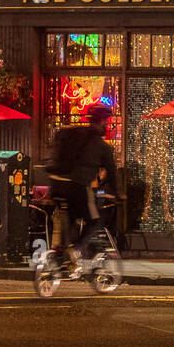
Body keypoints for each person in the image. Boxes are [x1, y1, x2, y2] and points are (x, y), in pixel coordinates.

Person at [45, 104, 117, 271]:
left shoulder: (71, 133)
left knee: (70, 216)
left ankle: (62, 255)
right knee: (94, 221)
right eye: (106, 122)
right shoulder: (102, 146)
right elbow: (112, 173)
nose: (107, 125)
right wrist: (117, 195)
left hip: (55, 184)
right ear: (101, 122)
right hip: (77, 187)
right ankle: (75, 251)